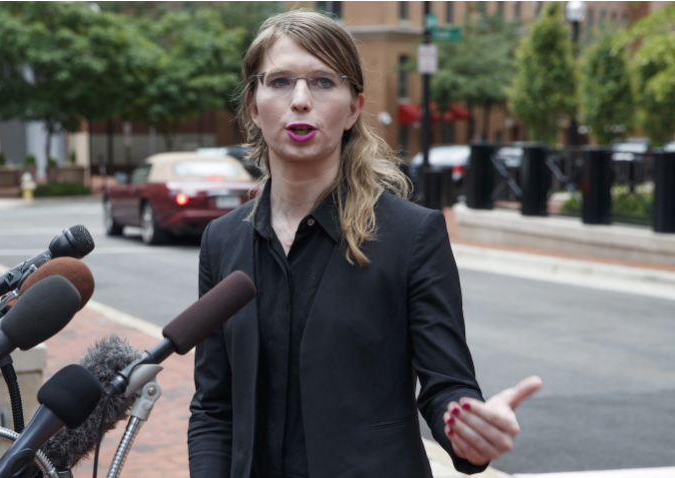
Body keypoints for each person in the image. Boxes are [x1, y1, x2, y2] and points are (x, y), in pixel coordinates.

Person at [188, 10, 542, 478]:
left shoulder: (413, 236)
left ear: (353, 107)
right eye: (279, 82)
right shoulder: (222, 240)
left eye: (322, 82)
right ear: (254, 106)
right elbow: (214, 406)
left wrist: (469, 432)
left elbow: (447, 385)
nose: (299, 100)